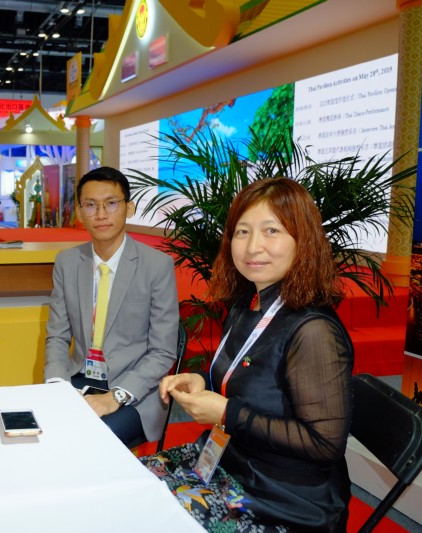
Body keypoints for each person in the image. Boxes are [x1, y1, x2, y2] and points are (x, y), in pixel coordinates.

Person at [142, 178, 353, 531]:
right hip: (232, 462)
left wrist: (227, 412)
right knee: (134, 485)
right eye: (242, 232)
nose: (253, 246)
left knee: (147, 517)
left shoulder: (314, 330)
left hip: (283, 498)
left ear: (303, 240)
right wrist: (201, 381)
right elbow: (250, 381)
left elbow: (324, 444)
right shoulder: (248, 303)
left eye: (272, 230)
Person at [44, 167, 179, 447]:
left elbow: (163, 352)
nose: (101, 214)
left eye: (111, 203)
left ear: (129, 208)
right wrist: (57, 386)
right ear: (79, 212)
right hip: (79, 378)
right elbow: (57, 335)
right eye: (90, 205)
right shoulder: (67, 262)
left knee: (90, 439)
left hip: (135, 390)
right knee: (44, 428)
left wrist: (115, 396)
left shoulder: (156, 266)